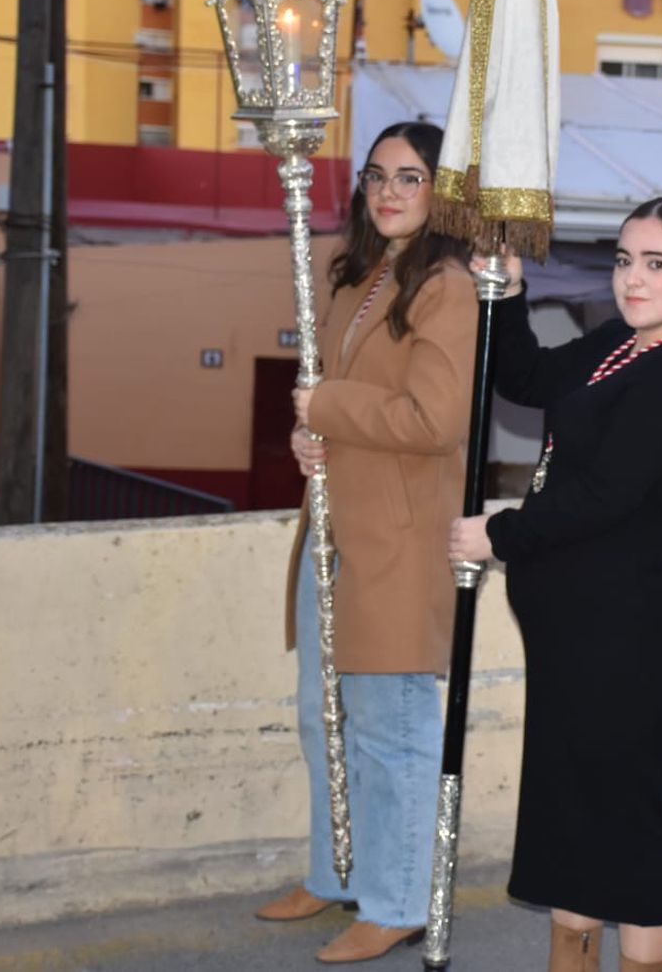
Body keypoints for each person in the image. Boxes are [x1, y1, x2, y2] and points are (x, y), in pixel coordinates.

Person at [448, 197, 662, 972]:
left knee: (623, 822)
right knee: (573, 819)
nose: (632, 279)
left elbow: (602, 495)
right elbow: (528, 377)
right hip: (580, 634)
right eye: (623, 259)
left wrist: (498, 533)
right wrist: (506, 293)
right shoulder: (623, 344)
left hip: (631, 640)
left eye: (657, 263)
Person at [253, 121, 477, 964]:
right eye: (378, 175)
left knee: (392, 729)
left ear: (440, 190)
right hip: (335, 531)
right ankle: (335, 869)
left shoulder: (445, 286)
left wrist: (325, 413)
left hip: (399, 541)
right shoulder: (359, 277)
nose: (389, 191)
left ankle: (395, 900)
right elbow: (335, 401)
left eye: (411, 177)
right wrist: (309, 439)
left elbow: (433, 419)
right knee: (325, 718)